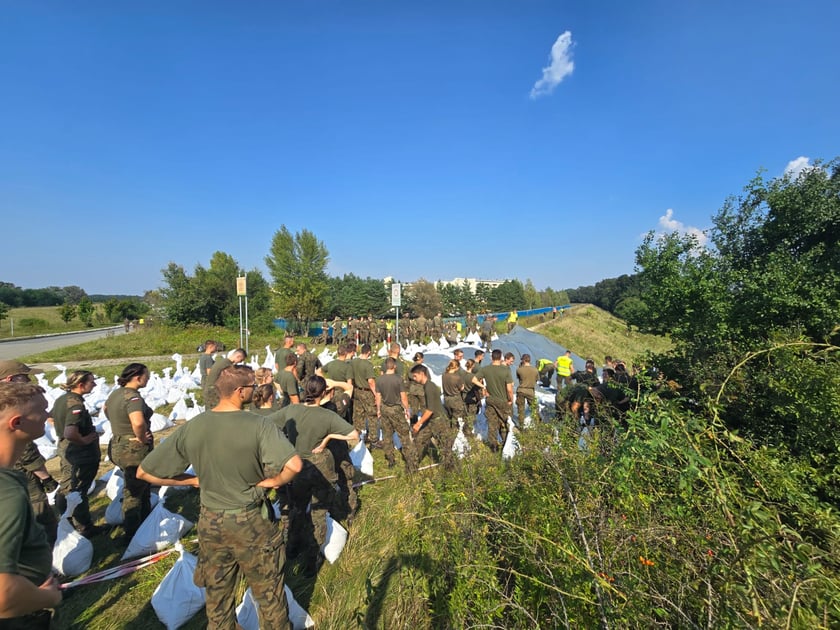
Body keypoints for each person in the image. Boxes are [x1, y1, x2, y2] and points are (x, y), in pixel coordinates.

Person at [138, 365, 302, 630]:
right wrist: (272, 482)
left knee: (217, 597)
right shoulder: (259, 424)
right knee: (269, 596)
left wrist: (191, 480)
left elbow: (145, 471)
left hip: (211, 523)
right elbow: (294, 465)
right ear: (240, 392)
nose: (256, 391)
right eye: (253, 387)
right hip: (252, 522)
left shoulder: (195, 425)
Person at [270, 376, 358, 575]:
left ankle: (291, 547)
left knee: (296, 508)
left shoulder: (291, 410)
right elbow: (354, 435)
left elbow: (266, 424)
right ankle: (312, 560)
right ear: (324, 392)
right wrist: (327, 437)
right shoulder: (326, 415)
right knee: (318, 513)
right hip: (320, 470)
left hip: (295, 466)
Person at [0, 381, 63, 627]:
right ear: (17, 423)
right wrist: (48, 596)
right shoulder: (7, 493)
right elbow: (4, 595)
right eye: (43, 410)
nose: (48, 415)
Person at [0, 360, 58, 546]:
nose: (46, 415)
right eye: (25, 377)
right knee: (40, 516)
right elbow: (27, 453)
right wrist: (46, 477)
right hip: (23, 476)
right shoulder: (9, 490)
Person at [51, 370, 104, 538]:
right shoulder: (76, 405)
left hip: (66, 448)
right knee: (78, 489)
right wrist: (85, 440)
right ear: (81, 385)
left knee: (67, 484)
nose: (94, 384)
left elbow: (50, 417)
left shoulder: (62, 399)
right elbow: (70, 433)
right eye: (91, 382)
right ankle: (83, 526)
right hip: (79, 453)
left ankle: (66, 519)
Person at [104, 363, 154, 540]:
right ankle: (132, 532)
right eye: (146, 375)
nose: (148, 378)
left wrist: (119, 426)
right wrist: (141, 438)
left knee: (140, 484)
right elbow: (138, 422)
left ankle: (146, 521)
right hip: (133, 449)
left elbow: (105, 410)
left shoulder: (115, 394)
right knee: (134, 491)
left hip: (118, 444)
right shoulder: (133, 397)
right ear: (138, 377)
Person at [410, 364, 455, 470]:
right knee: (419, 441)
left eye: (415, 376)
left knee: (445, 448)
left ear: (422, 374)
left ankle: (450, 471)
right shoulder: (427, 386)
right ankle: (411, 468)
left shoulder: (429, 387)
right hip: (432, 420)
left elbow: (430, 410)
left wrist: (418, 424)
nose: (414, 379)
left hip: (439, 421)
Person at [375, 358, 417, 472]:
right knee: (404, 434)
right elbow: (403, 397)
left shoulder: (379, 380)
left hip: (384, 408)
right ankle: (410, 461)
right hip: (396, 409)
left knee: (387, 435)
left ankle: (390, 460)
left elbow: (378, 396)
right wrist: (407, 410)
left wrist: (378, 409)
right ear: (394, 366)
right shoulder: (398, 379)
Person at [472, 349, 514, 452]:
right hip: (502, 400)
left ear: (491, 358)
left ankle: (493, 447)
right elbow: (509, 389)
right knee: (505, 423)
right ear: (501, 358)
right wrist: (510, 400)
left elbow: (473, 379)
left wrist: (484, 387)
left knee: (492, 424)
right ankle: (506, 445)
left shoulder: (485, 369)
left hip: (490, 400)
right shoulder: (506, 370)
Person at [350, 343, 377, 442]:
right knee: (371, 414)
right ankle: (373, 437)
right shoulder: (368, 364)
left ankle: (358, 433)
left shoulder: (354, 362)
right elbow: (371, 381)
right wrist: (376, 394)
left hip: (356, 390)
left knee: (358, 413)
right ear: (369, 352)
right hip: (366, 392)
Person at [442, 359, 467, 429]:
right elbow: (461, 388)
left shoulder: (443, 375)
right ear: (456, 367)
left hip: (446, 398)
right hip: (456, 399)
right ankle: (453, 433)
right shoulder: (457, 377)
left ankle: (447, 431)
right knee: (455, 418)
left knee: (449, 417)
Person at [515, 354, 539, 426]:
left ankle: (521, 424)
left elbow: (519, 378)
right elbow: (536, 380)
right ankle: (538, 423)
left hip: (521, 390)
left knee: (521, 409)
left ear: (523, 360)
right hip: (530, 391)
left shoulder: (519, 369)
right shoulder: (535, 370)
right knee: (534, 408)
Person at [406, 351, 425, 424]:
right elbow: (427, 380)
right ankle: (425, 424)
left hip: (412, 390)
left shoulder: (409, 368)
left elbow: (407, 380)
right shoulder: (423, 368)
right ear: (421, 359)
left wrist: (407, 389)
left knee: (414, 409)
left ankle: (413, 425)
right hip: (421, 390)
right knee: (424, 407)